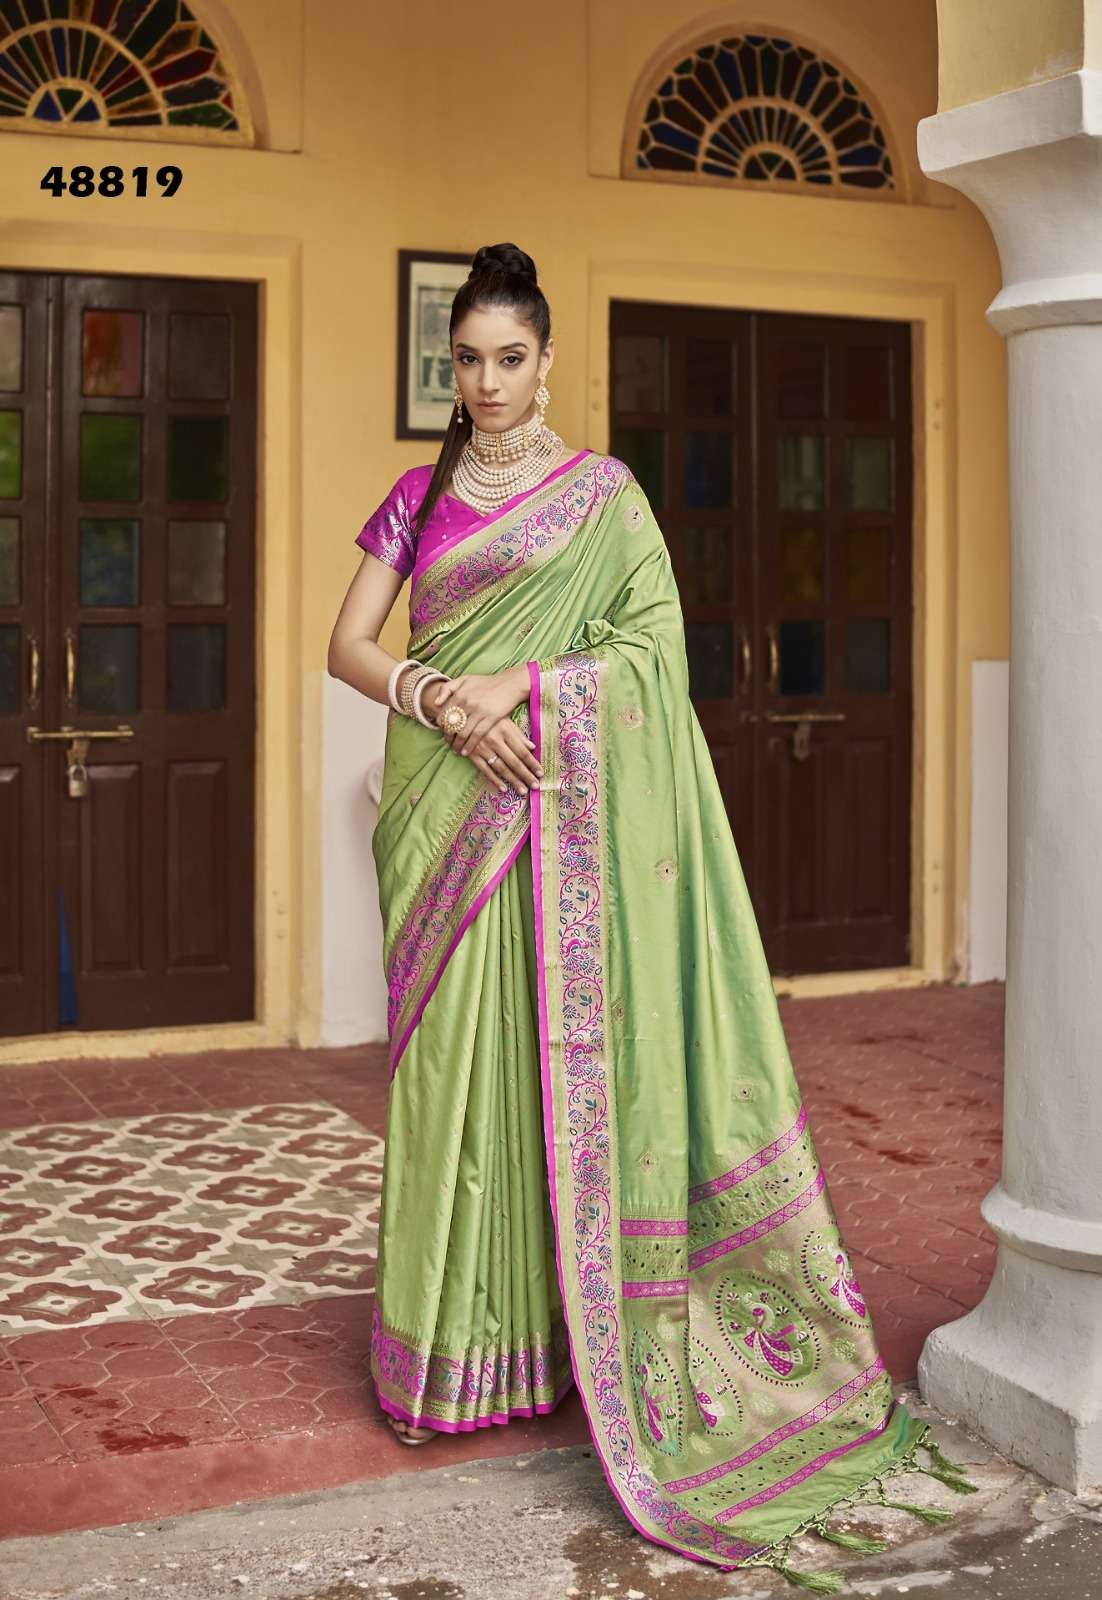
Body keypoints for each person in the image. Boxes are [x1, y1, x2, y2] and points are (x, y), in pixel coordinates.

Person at [327, 243, 976, 1591]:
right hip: (446, 813)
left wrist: (520, 688)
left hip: (554, 800)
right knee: (455, 1079)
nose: (489, 383)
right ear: (450, 366)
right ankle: (462, 1356)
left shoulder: (604, 499)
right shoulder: (415, 495)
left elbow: (651, 654)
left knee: (559, 1076)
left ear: (546, 361)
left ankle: (579, 1339)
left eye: (511, 359)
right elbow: (348, 646)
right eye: (468, 360)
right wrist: (438, 699)